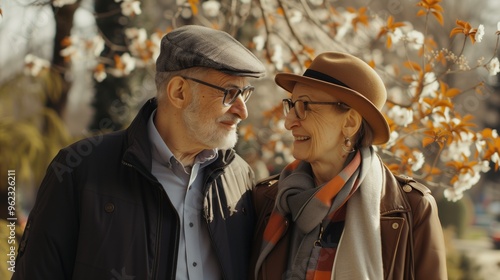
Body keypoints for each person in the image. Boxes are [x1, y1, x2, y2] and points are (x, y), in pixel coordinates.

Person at [12, 25, 266, 280]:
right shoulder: (79, 169)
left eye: (245, 93)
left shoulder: (240, 176)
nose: (242, 111)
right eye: (230, 93)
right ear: (179, 92)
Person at [250, 52, 447, 280]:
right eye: (291, 105)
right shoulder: (266, 200)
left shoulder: (413, 211)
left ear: (350, 122)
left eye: (304, 105)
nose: (289, 121)